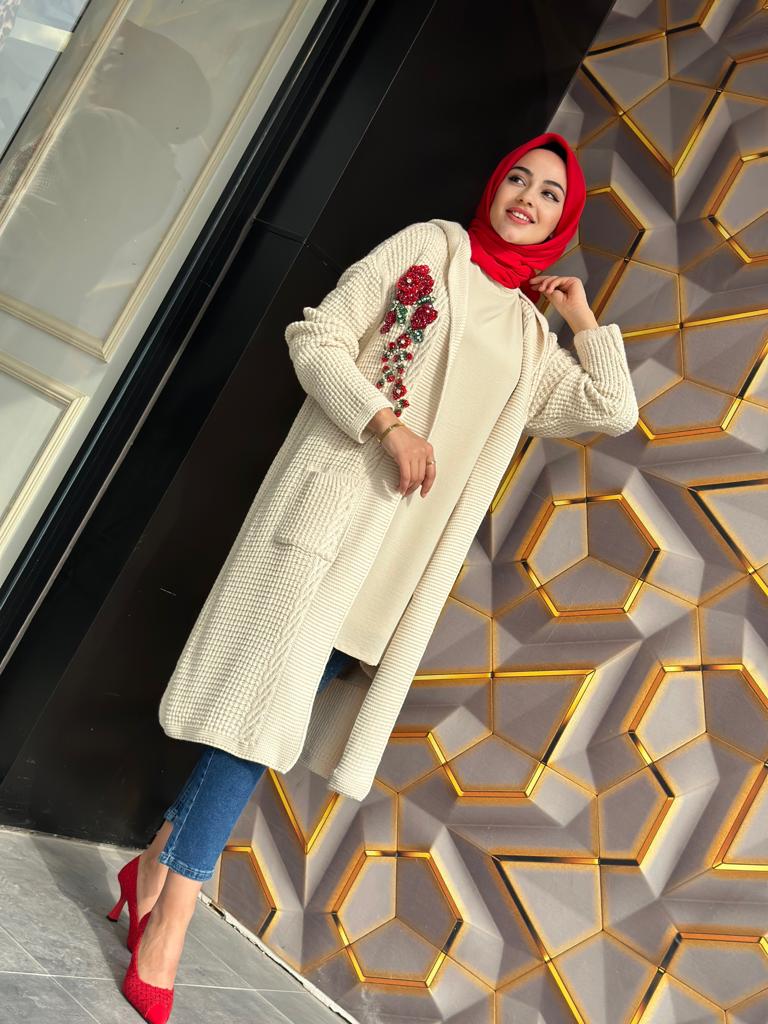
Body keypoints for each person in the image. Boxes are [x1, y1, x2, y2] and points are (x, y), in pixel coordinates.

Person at [110, 132, 639, 1021]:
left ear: (563, 220)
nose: (527, 197)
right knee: (255, 725)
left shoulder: (530, 337)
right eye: (518, 177)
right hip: (328, 527)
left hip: (392, 573)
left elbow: (611, 408)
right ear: (493, 184)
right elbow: (316, 336)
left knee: (261, 727)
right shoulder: (429, 247)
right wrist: (386, 424)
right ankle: (170, 922)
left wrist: (584, 320)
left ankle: (152, 870)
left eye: (551, 194)